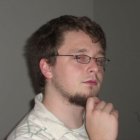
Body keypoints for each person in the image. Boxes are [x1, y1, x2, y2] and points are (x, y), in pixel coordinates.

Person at [7, 15, 119, 140]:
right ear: (47, 68)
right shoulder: (28, 137)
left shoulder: (99, 124)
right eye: (80, 57)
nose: (96, 68)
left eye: (99, 60)